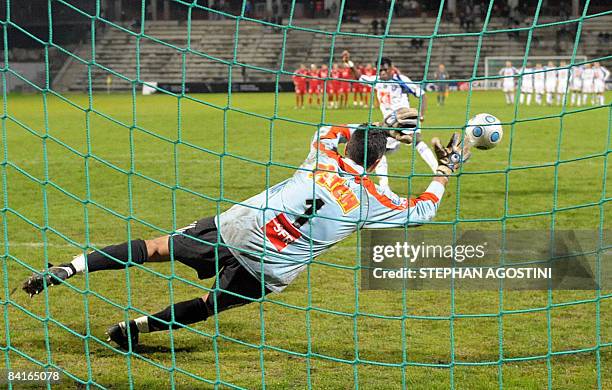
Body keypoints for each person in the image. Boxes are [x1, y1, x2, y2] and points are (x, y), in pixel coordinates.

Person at [22, 111, 469, 350]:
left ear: (348, 146)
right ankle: (133, 328)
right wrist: (444, 170)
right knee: (208, 303)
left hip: (237, 230)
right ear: (375, 163)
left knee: (155, 247)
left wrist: (386, 131)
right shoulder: (373, 200)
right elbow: (423, 210)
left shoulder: (322, 157)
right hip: (273, 267)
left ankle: (70, 268)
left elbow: (327, 131)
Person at [356, 57, 438, 191]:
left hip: (405, 117)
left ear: (391, 68)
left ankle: (437, 170)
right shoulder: (376, 81)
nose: (382, 73)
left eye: (385, 70)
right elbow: (360, 77)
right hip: (389, 124)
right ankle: (384, 186)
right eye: (380, 70)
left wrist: (421, 114)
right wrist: (349, 63)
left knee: (416, 141)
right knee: (379, 149)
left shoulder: (401, 79)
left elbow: (422, 94)